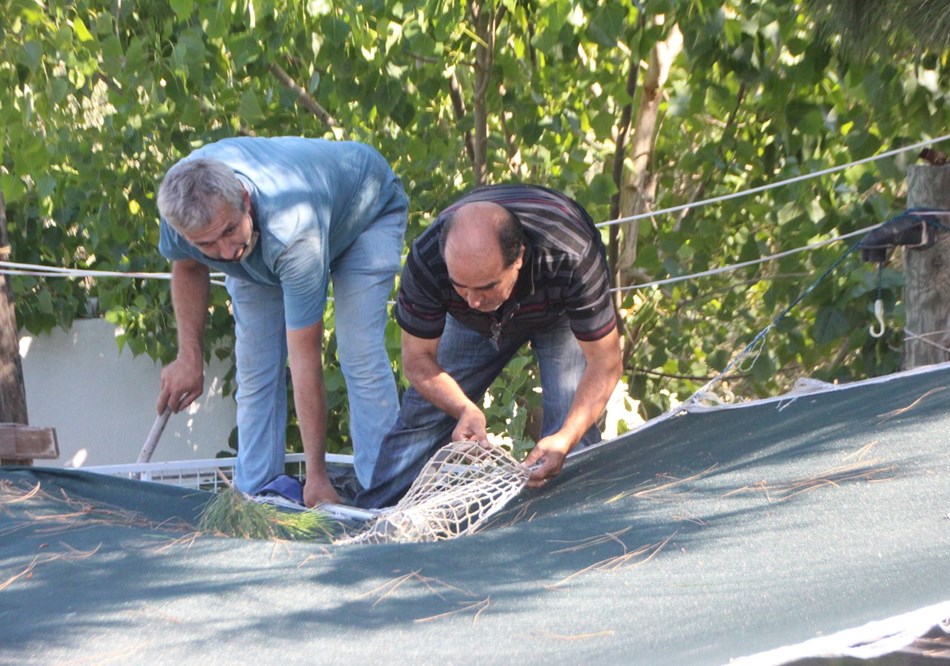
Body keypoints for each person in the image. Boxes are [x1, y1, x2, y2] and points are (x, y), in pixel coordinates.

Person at [155, 137, 407, 508]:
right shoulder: (181, 210)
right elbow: (188, 266)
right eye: (208, 244)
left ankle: (387, 500)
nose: (226, 253)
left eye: (228, 230)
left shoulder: (292, 233)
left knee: (359, 355)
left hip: (366, 211)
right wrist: (189, 357)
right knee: (256, 368)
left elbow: (305, 362)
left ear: (244, 198)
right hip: (274, 236)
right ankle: (255, 498)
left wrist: (317, 477)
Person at [355, 184, 622, 509]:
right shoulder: (427, 260)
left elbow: (605, 362)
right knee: (423, 416)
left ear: (519, 258)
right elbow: (417, 360)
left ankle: (569, 533)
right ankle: (375, 519)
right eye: (460, 286)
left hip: (559, 310)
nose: (475, 299)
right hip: (468, 326)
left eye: (486, 286)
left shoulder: (570, 253)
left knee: (570, 433)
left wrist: (565, 438)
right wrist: (464, 409)